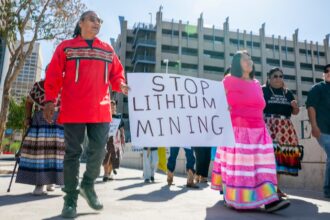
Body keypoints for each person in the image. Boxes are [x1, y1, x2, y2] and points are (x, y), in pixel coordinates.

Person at [43, 11, 128, 218]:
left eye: (99, 20)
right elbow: (54, 74)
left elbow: (116, 74)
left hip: (101, 108)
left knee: (99, 150)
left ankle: (88, 185)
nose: (96, 23)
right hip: (73, 108)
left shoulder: (107, 50)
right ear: (80, 23)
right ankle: (70, 200)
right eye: (92, 19)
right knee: (72, 154)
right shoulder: (66, 47)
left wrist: (121, 85)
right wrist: (49, 100)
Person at [211, 50, 290, 212]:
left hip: (259, 130)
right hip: (238, 131)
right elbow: (216, 102)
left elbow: (260, 106)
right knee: (242, 169)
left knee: (264, 167)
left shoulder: (256, 83)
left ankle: (269, 200)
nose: (249, 61)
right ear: (236, 64)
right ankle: (238, 199)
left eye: (250, 59)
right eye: (245, 59)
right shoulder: (229, 81)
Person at [16, 77, 64, 195]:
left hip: (57, 124)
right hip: (39, 123)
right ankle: (39, 184)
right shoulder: (38, 86)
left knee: (55, 154)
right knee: (39, 154)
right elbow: (28, 101)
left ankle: (51, 182)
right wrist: (27, 117)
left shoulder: (62, 87)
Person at [262, 67, 302, 198]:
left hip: (285, 128)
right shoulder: (264, 90)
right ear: (269, 78)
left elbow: (295, 112)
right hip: (269, 126)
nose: (278, 78)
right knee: (269, 159)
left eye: (280, 76)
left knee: (279, 160)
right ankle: (267, 189)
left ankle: (276, 188)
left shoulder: (287, 92)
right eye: (275, 76)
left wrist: (295, 107)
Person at [306, 64, 330, 199]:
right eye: (326, 71)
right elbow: (311, 108)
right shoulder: (318, 88)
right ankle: (328, 190)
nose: (329, 73)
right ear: (323, 74)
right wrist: (314, 126)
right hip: (324, 130)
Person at [102, 100, 125, 182]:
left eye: (113, 105)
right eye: (110, 105)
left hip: (116, 140)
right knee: (106, 157)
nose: (112, 107)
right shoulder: (105, 116)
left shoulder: (119, 117)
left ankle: (109, 173)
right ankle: (105, 174)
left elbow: (122, 128)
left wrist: (122, 137)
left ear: (115, 107)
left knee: (113, 158)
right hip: (106, 139)